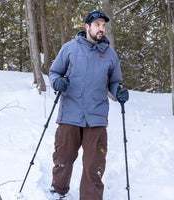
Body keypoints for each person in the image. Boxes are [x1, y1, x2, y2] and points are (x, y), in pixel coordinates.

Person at [49, 10, 129, 200]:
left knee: (94, 164)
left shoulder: (110, 54)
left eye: (103, 26)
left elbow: (115, 81)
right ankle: (58, 191)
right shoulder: (70, 48)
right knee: (63, 157)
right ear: (87, 27)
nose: (101, 29)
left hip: (97, 116)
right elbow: (54, 72)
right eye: (97, 25)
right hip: (70, 112)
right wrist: (56, 82)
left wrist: (119, 91)